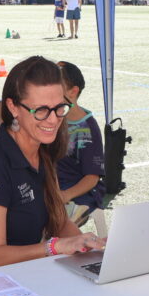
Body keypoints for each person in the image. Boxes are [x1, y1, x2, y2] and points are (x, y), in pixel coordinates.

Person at [0, 57, 104, 274]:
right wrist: (55, 247)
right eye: (41, 110)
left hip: (24, 270)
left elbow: (59, 221)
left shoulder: (43, 151)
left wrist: (90, 247)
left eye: (60, 107)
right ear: (13, 107)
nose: (53, 120)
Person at [55, 61, 106, 223]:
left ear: (73, 92)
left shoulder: (88, 128)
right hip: (50, 186)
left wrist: (65, 195)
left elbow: (92, 177)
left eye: (56, 85)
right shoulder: (48, 115)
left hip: (77, 191)